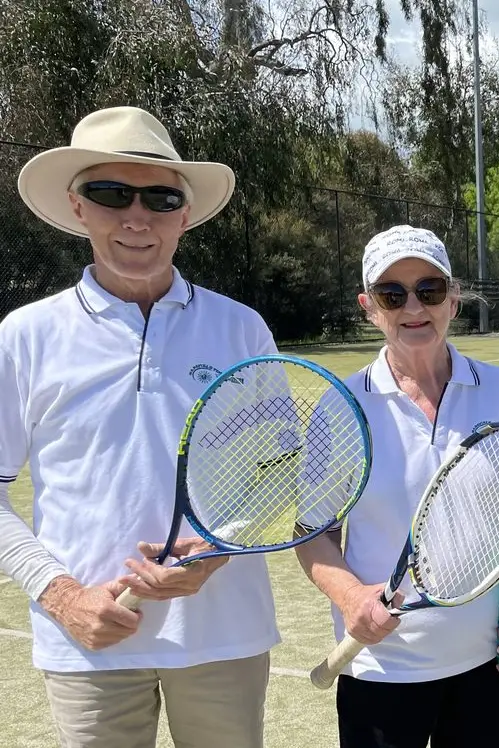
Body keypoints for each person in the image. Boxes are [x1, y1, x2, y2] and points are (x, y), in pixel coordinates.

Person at [0, 106, 280, 747]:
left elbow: (277, 471)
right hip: (88, 642)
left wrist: (219, 550)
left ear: (185, 213)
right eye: (111, 194)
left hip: (223, 635)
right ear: (78, 207)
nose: (136, 217)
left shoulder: (242, 329)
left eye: (160, 198)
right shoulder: (25, 336)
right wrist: (62, 596)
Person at [294, 225, 499, 748]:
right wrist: (351, 597)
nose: (414, 307)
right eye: (392, 294)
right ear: (369, 308)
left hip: (493, 660)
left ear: (453, 299)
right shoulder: (342, 404)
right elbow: (312, 533)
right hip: (382, 668)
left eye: (430, 289)